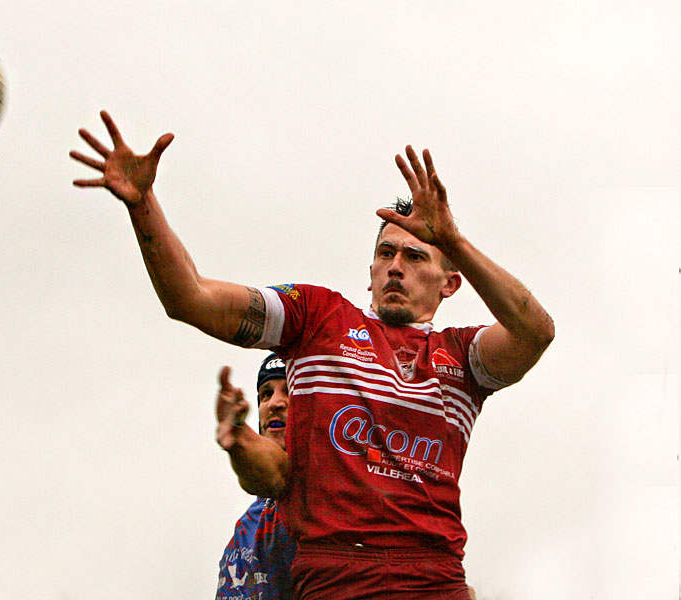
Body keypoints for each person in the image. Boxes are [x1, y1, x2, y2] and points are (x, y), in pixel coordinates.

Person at [70, 112, 555, 599]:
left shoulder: (463, 357)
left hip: (434, 579)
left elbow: (536, 332)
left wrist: (453, 241)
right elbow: (191, 299)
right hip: (333, 578)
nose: (394, 267)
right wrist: (143, 205)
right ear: (368, 270)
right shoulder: (318, 317)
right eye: (385, 254)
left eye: (414, 256)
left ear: (450, 282)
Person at [214, 353, 296, 600]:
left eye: (289, 390)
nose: (275, 403)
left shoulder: (346, 485)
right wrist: (238, 440)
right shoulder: (247, 528)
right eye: (266, 394)